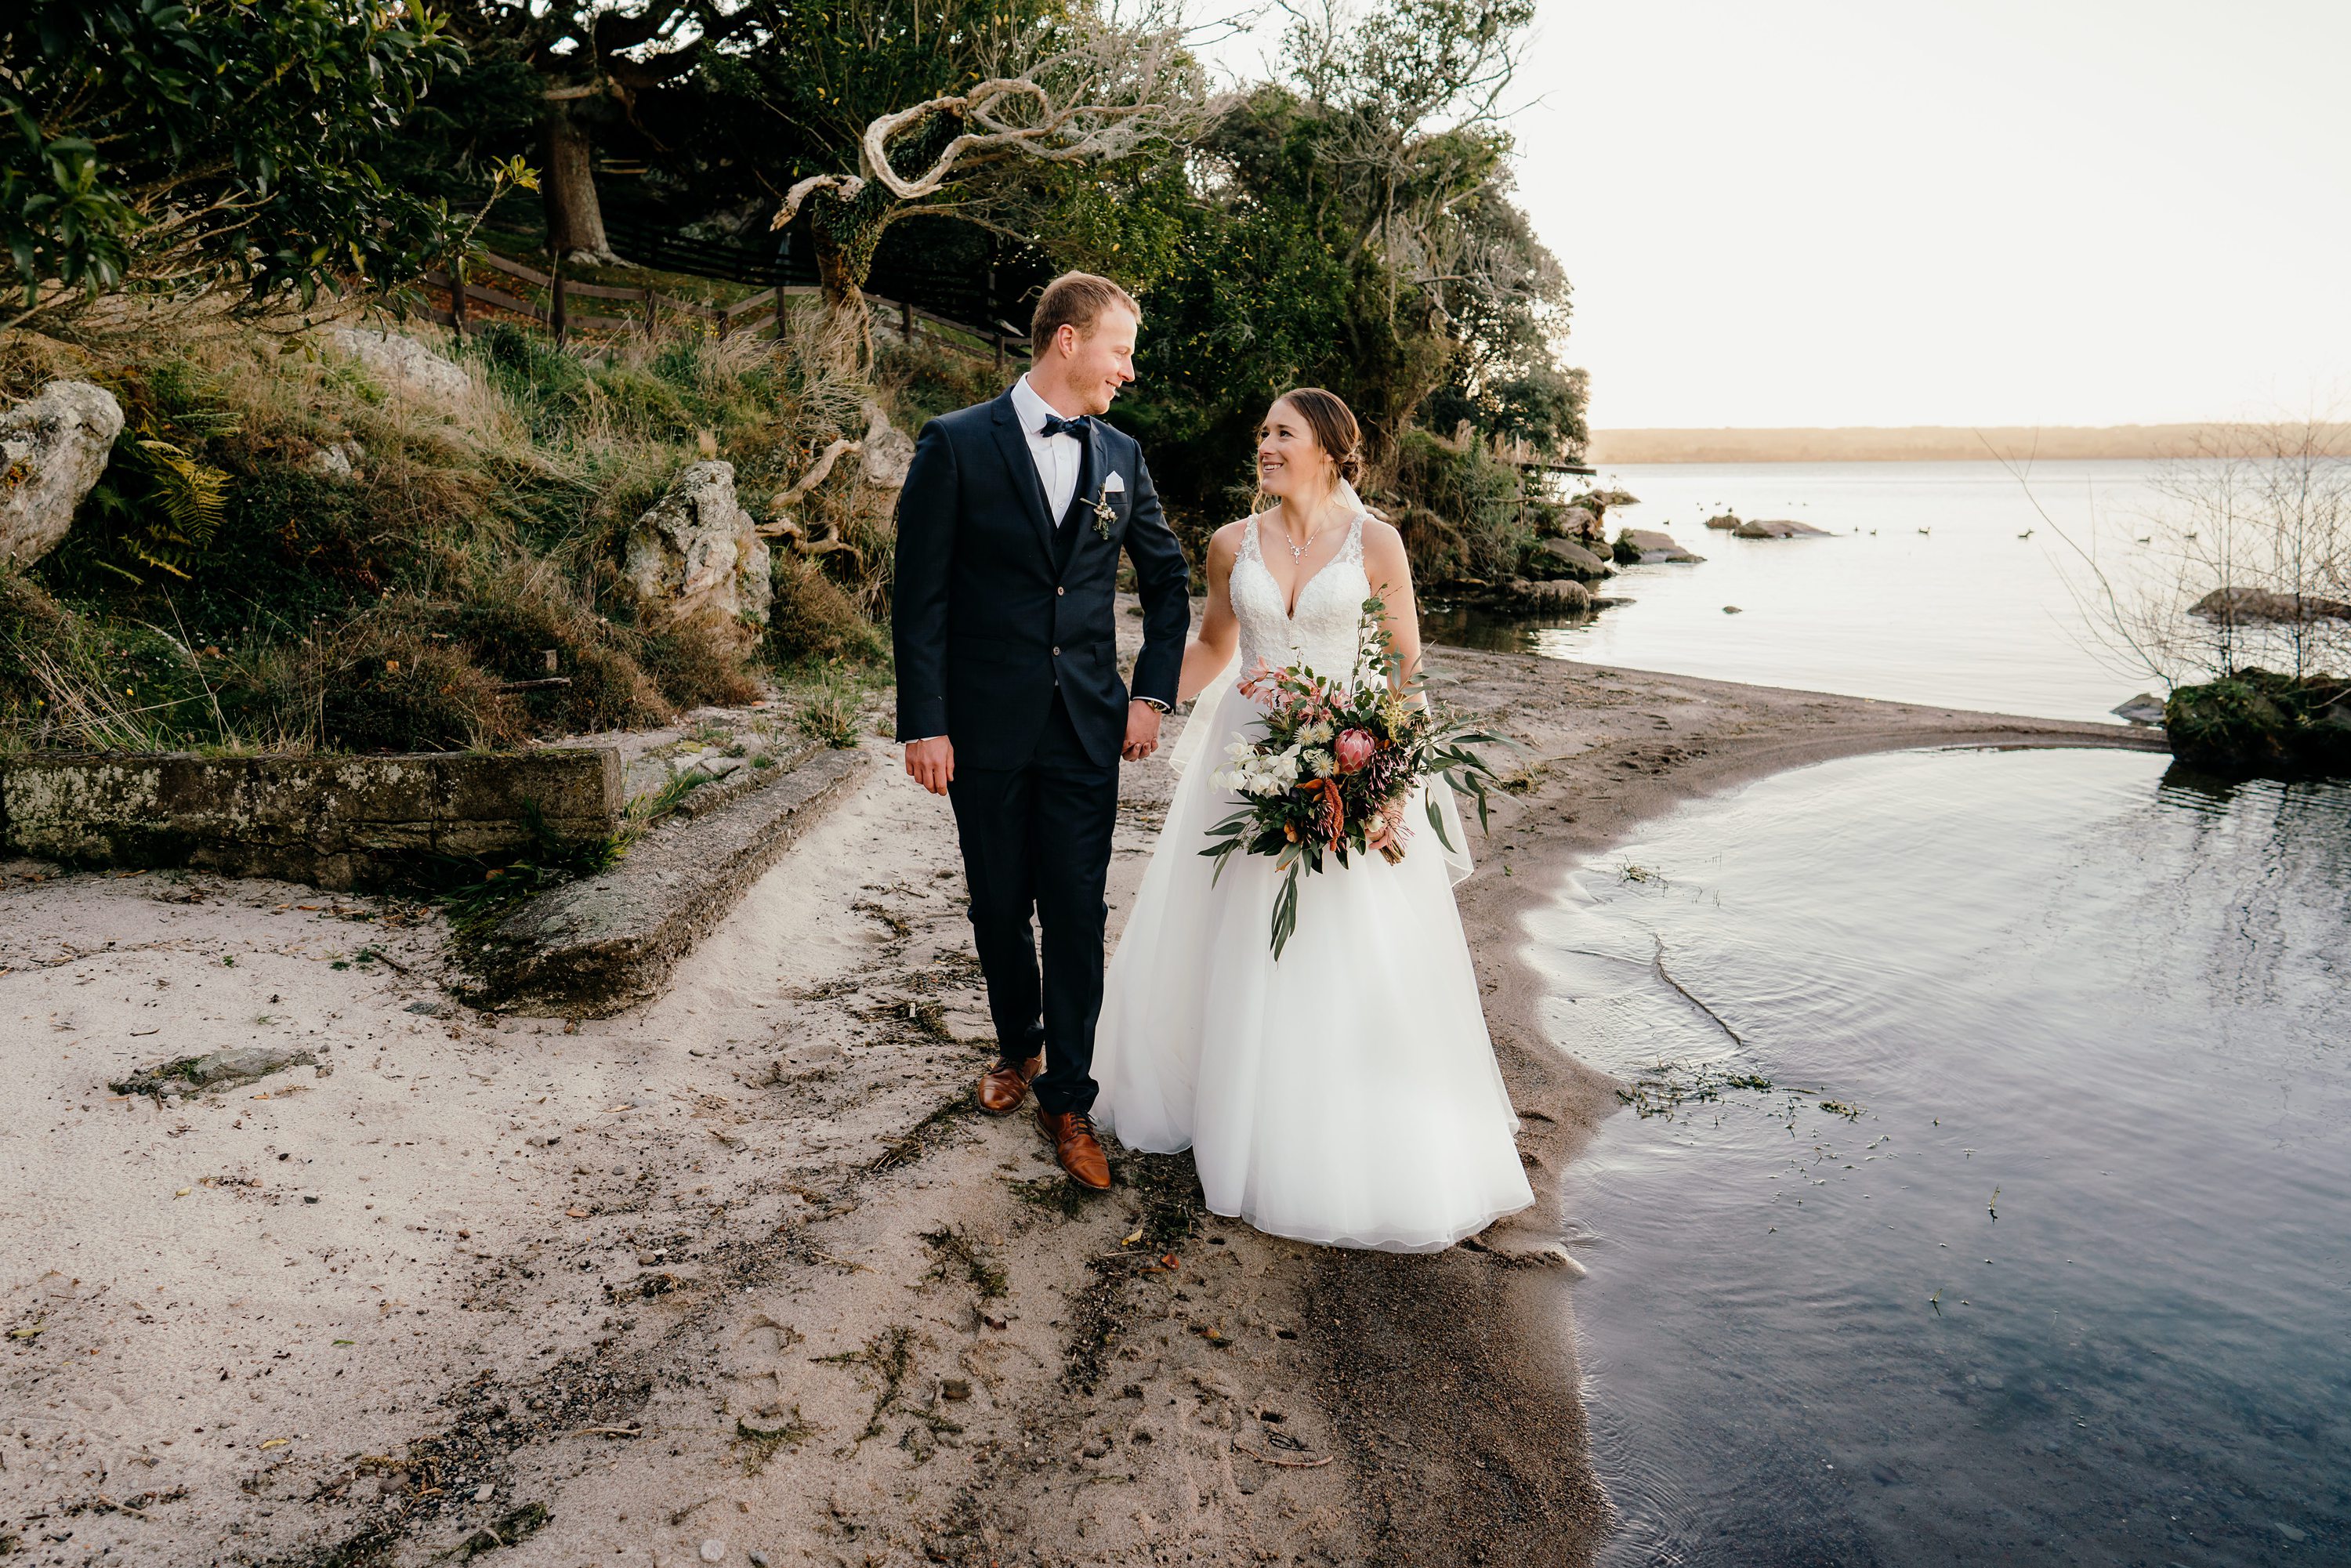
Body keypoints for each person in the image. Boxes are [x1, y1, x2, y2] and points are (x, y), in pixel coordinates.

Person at [1091, 388, 1534, 1251]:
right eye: (1261, 432)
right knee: (1234, 938)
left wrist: (1392, 778)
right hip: (1244, 763)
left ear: (1329, 449)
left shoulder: (1376, 543)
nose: (1265, 444)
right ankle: (1231, 1111)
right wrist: (1135, 700)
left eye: (1282, 433)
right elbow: (1218, 649)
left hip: (1350, 755)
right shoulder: (1230, 544)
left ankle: (1335, 1131)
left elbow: (1405, 669)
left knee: (1341, 948)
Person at [891, 272, 1192, 1193]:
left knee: (1074, 908)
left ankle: (1068, 1097)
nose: (1127, 371)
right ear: (1067, 340)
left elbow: (1170, 582)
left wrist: (1151, 697)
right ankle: (1018, 1046)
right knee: (995, 904)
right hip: (981, 726)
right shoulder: (954, 443)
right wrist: (925, 722)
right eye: (1120, 349)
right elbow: (920, 598)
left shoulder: (1122, 456)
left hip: (1084, 729)